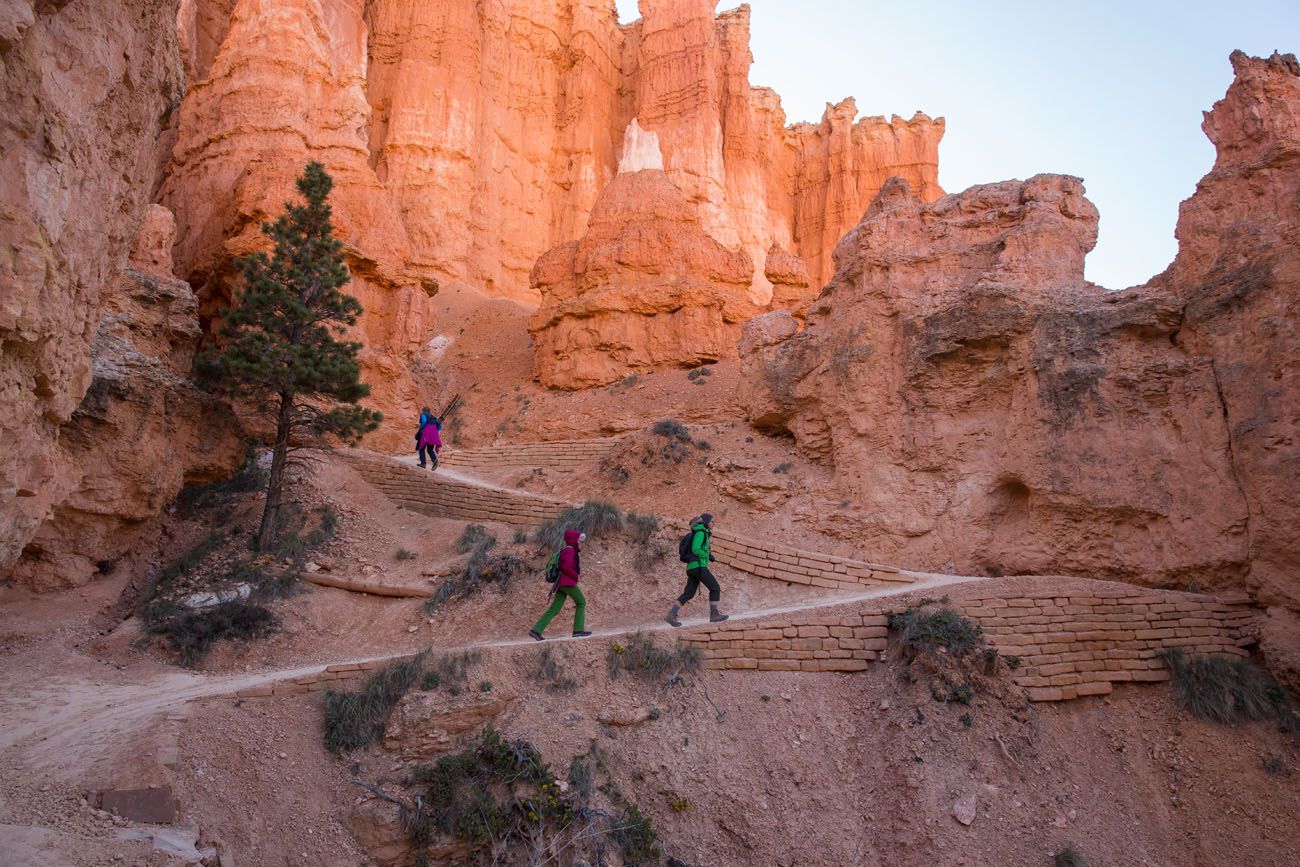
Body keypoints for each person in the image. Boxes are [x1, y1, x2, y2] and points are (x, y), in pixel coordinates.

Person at [665, 513, 728, 626]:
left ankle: (671, 615)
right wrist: (706, 554)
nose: (713, 524)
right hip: (698, 566)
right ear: (706, 522)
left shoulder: (701, 532)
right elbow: (695, 549)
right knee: (715, 588)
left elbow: (697, 549)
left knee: (688, 593)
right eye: (712, 522)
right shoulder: (701, 532)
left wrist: (708, 556)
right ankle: (714, 615)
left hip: (692, 567)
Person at [530, 529, 592, 640]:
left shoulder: (566, 550)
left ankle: (536, 631)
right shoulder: (570, 551)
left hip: (561, 583)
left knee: (555, 608)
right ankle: (578, 630)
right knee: (581, 601)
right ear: (574, 540)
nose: (581, 543)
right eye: (580, 540)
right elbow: (566, 567)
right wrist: (575, 575)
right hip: (567, 582)